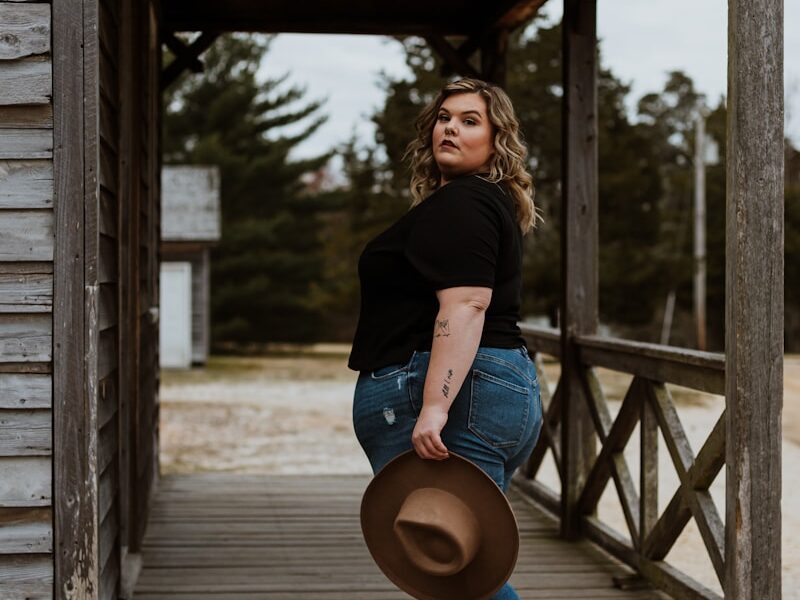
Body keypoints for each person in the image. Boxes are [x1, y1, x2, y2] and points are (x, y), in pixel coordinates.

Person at [348, 77, 543, 600]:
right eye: (444, 118)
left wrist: (434, 407)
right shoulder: (477, 203)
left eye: (470, 120)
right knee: (461, 564)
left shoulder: (463, 203)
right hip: (490, 388)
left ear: (497, 140)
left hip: (454, 397)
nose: (450, 127)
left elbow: (466, 304)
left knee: (456, 573)